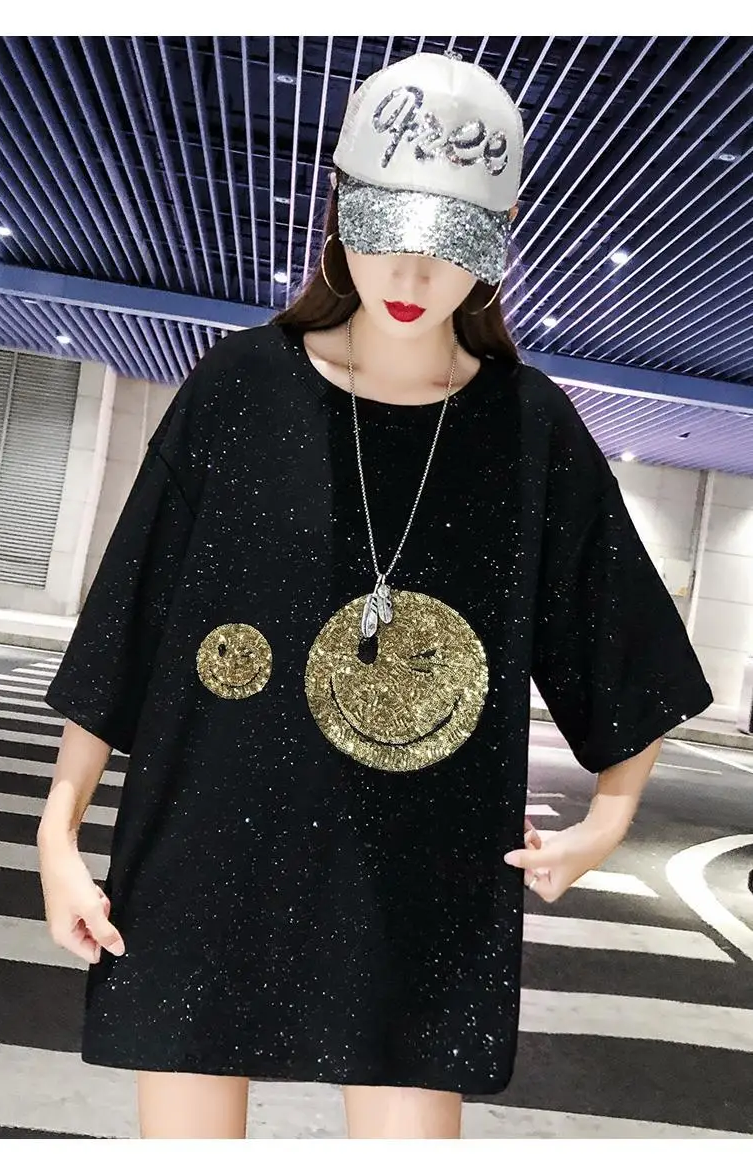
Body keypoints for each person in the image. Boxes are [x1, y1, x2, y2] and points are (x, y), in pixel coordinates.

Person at [37, 50, 714, 1139]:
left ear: (498, 240)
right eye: (384, 222)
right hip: (207, 847)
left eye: (451, 238)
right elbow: (132, 611)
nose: (410, 268)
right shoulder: (239, 387)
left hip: (421, 875)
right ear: (339, 209)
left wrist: (610, 819)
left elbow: (620, 635)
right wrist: (57, 831)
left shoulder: (526, 429)